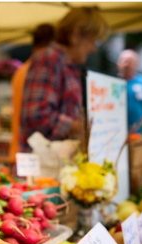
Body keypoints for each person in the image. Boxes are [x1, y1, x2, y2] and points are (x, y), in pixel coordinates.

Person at [19, 7, 109, 152]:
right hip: (44, 167)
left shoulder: (66, 64)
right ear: (76, 35)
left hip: (58, 164)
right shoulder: (48, 59)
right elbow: (37, 115)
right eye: (93, 41)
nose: (93, 49)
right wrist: (79, 126)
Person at [9, 24, 55, 161]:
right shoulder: (37, 72)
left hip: (20, 147)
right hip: (32, 152)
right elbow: (35, 115)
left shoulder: (21, 71)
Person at [117, 49, 142, 133]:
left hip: (138, 133)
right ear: (118, 64)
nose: (126, 64)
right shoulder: (110, 82)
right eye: (123, 61)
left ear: (136, 64)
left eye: (130, 61)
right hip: (114, 133)